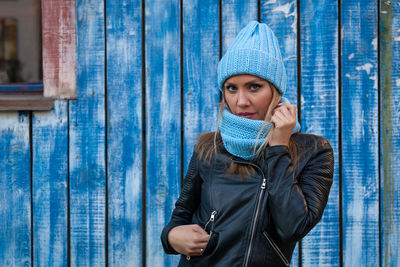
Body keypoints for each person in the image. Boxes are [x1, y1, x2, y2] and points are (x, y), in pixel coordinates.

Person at [160, 20, 334, 267]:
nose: (241, 101)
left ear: (275, 90)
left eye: (254, 87)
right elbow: (179, 218)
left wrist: (278, 147)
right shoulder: (209, 148)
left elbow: (293, 227)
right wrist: (171, 237)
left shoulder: (313, 151)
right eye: (232, 88)